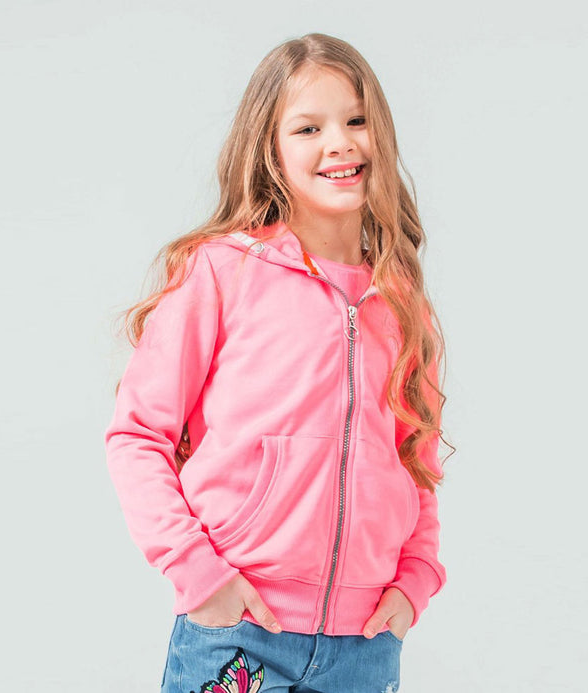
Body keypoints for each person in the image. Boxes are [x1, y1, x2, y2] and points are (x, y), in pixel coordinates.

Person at [104, 31, 452, 693]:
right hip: (238, 628)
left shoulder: (403, 304)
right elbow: (137, 435)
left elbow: (418, 466)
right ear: (270, 149)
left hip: (365, 643)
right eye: (308, 128)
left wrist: (414, 582)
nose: (339, 142)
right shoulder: (222, 272)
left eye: (356, 120)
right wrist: (198, 572)